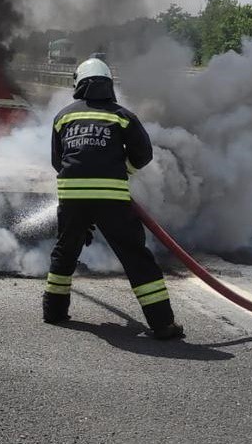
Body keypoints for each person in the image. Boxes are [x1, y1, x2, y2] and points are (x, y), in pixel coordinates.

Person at [42, 57, 184, 340]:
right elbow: (143, 155)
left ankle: (53, 311)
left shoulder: (64, 116)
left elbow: (58, 162)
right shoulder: (122, 116)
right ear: (108, 84)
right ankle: (162, 324)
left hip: (72, 196)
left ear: (78, 83)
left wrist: (82, 196)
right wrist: (122, 171)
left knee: (65, 251)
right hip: (112, 198)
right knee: (135, 257)